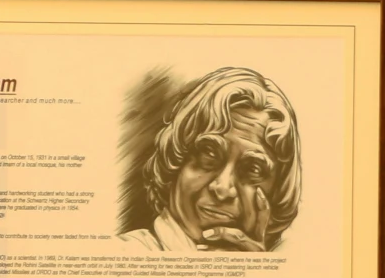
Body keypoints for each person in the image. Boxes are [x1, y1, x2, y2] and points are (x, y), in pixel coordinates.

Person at [122, 67, 303, 253]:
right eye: (208, 155)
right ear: (176, 161)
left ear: (277, 191)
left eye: (253, 170)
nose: (223, 189)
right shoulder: (126, 251)